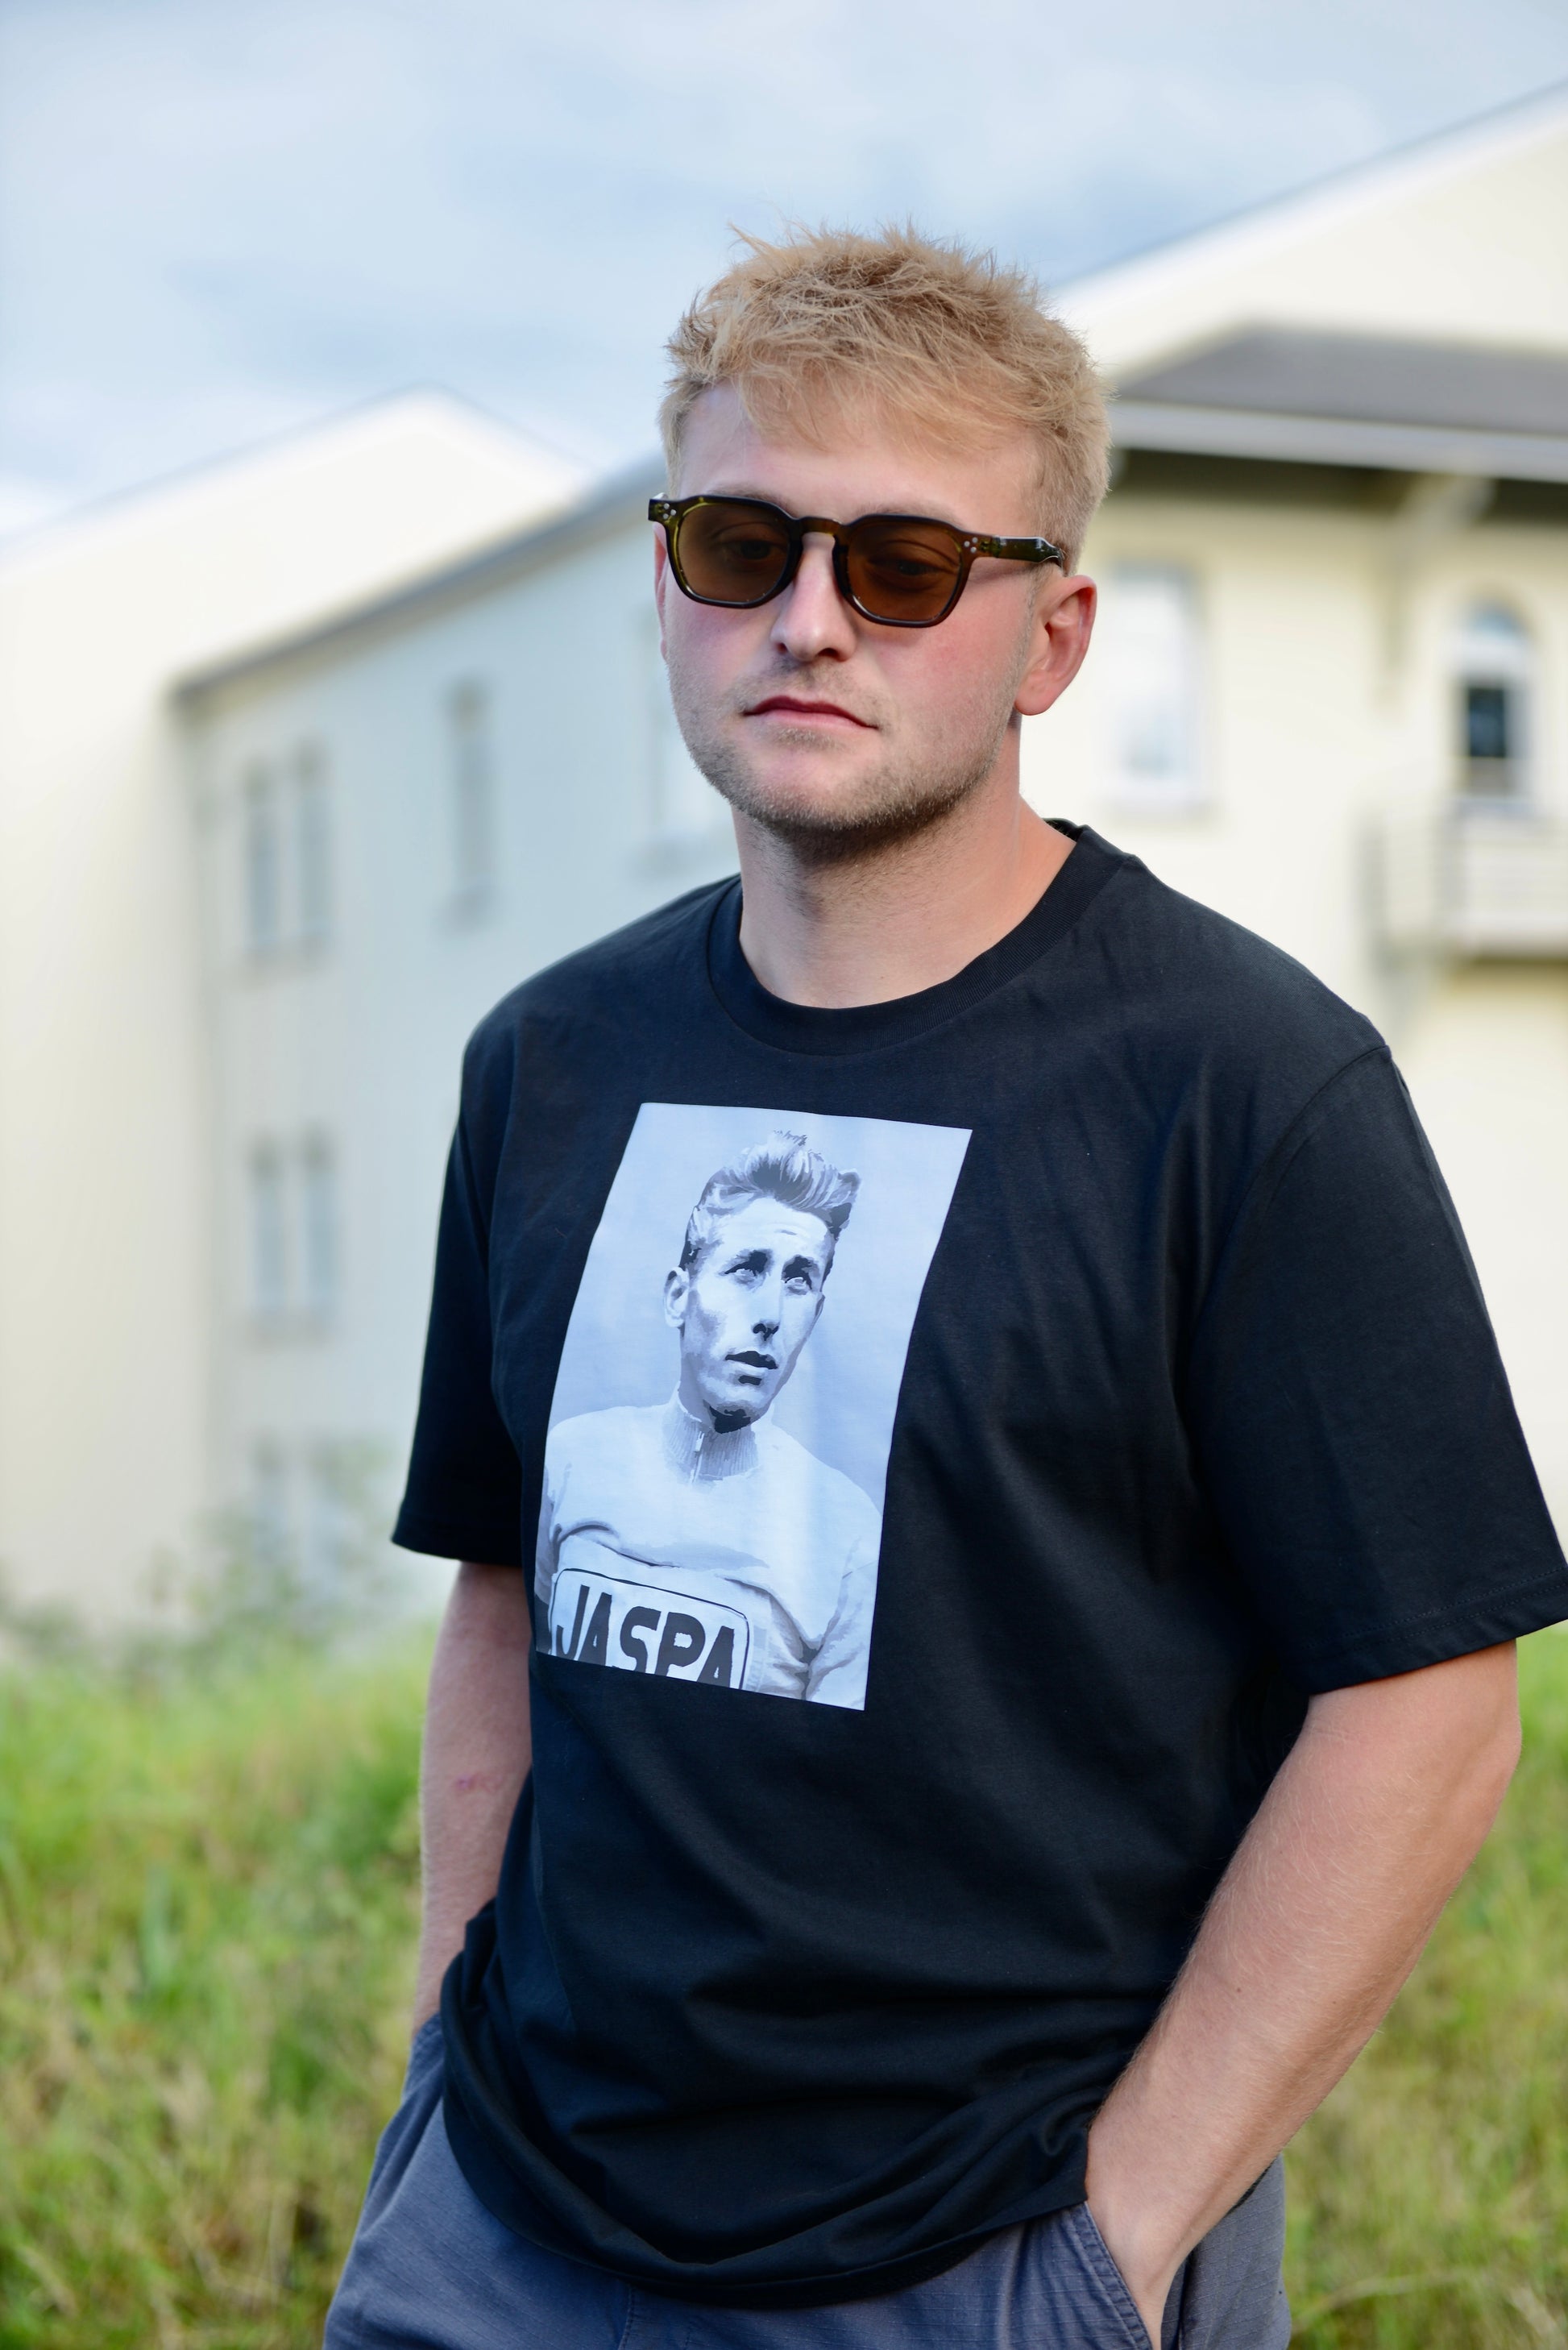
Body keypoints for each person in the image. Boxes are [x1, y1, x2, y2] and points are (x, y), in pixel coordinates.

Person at [326, 226, 1568, 2350]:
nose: (807, 619)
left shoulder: (1242, 1087)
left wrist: (1112, 2245)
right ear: (667, 580)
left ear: (1051, 633)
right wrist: (443, 2063)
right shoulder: (551, 1060)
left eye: (904, 565)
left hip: (983, 2255)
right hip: (505, 2233)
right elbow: (507, 1590)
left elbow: (1427, 1704)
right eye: (741, 545)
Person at [537, 1130, 882, 1704]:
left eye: (798, 1281)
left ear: (816, 1314)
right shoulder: (575, 1456)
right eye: (747, 1269)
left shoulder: (847, 1533)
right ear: (680, 1296)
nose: (770, 1315)